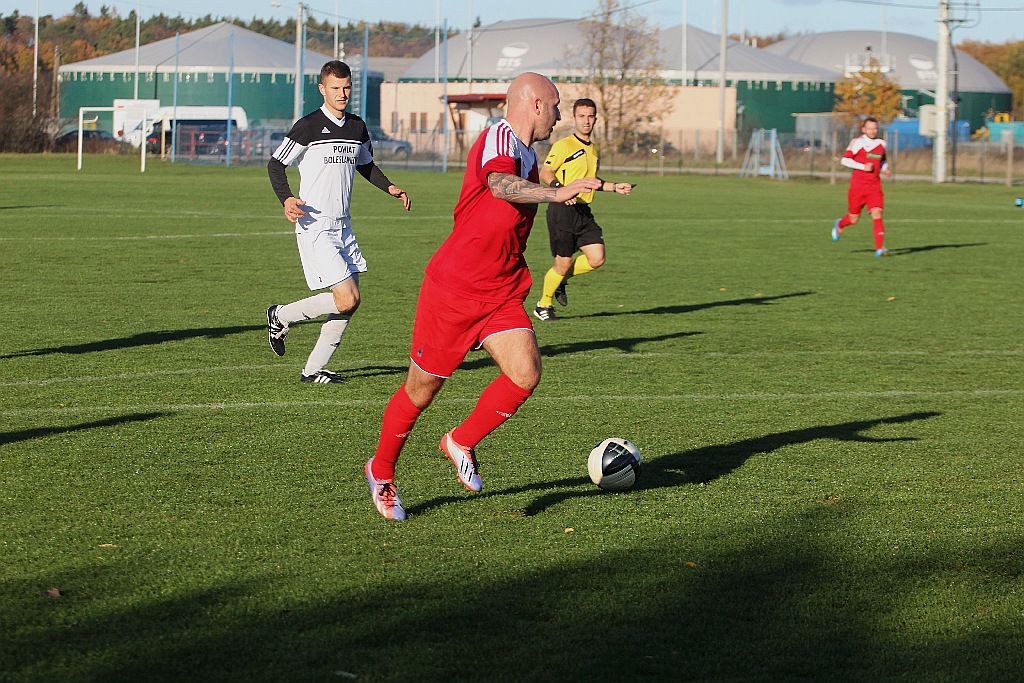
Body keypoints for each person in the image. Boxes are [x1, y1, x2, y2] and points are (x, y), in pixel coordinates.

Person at [364, 72, 601, 520]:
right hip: (455, 288)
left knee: (526, 372)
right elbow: (498, 185)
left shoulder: (531, 154)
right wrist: (556, 193)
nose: (558, 113)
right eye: (554, 104)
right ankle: (381, 470)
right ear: (533, 103)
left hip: (502, 288)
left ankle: (460, 440)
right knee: (421, 391)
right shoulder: (500, 136)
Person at [266, 60, 411, 384]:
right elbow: (276, 165)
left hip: (343, 225)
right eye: (335, 88)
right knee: (347, 298)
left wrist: (390, 187)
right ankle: (280, 315)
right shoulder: (308, 126)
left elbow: (366, 165)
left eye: (346, 88)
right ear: (323, 89)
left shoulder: (357, 127)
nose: (342, 93)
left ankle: (313, 370)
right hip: (314, 223)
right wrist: (287, 199)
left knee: (349, 303)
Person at [533, 98, 633, 321]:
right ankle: (543, 305)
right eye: (582, 116)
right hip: (562, 211)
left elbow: (593, 180)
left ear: (595, 119)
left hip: (583, 211)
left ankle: (560, 280)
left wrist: (615, 187)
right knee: (563, 263)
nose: (586, 121)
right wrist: (561, 190)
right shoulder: (564, 145)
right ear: (575, 118)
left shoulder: (594, 149)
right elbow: (546, 172)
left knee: (597, 258)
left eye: (590, 116)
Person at [831, 116, 891, 257]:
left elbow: (882, 161)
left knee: (877, 214)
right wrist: (862, 166)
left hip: (874, 187)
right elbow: (845, 160)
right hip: (858, 187)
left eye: (875, 128)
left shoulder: (881, 144)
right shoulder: (857, 142)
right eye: (870, 128)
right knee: (854, 219)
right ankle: (840, 224)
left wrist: (885, 169)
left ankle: (879, 248)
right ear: (864, 129)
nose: (873, 131)